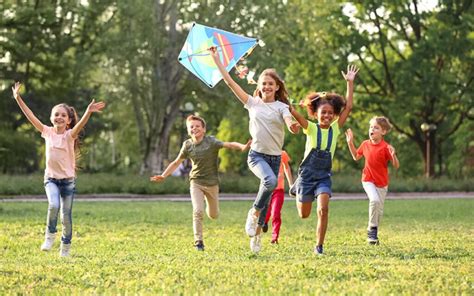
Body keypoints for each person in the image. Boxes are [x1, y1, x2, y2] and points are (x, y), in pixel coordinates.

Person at [209, 46, 299, 253]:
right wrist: (216, 60)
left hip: (275, 158)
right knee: (269, 182)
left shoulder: (282, 107)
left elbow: (289, 121)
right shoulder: (252, 103)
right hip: (256, 155)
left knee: (267, 195)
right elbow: (231, 83)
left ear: (277, 87)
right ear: (259, 86)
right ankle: (254, 212)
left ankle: (257, 235)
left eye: (271, 84)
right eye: (264, 83)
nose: (267, 86)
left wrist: (292, 125)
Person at [11, 82, 106, 257]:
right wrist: (18, 98)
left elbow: (82, 124)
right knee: (53, 205)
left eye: (63, 115)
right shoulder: (47, 132)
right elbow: (30, 116)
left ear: (68, 121)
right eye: (56, 114)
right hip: (51, 180)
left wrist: (88, 111)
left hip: (68, 182)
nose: (59, 117)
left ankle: (66, 247)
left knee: (66, 217)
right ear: (51, 117)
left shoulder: (70, 136)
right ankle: (49, 235)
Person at [150, 115, 250, 251]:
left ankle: (210, 209)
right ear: (188, 130)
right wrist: (163, 175)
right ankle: (198, 242)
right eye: (191, 127)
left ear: (203, 129)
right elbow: (176, 162)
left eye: (197, 126)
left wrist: (243, 147)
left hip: (212, 184)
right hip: (196, 182)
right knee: (197, 211)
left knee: (213, 215)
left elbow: (229, 144)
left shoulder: (212, 142)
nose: (194, 128)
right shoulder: (187, 145)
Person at [289, 65, 359, 255]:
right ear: (316, 114)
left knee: (323, 209)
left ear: (334, 114)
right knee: (304, 215)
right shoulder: (310, 128)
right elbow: (294, 113)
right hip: (306, 175)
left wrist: (349, 83)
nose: (327, 116)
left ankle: (319, 246)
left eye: (330, 113)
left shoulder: (336, 128)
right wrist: (289, 105)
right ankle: (297, 187)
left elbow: (349, 107)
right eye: (323, 113)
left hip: (323, 176)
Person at [345, 116, 400, 245]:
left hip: (382, 183)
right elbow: (355, 157)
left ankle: (374, 234)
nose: (372, 129)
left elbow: (396, 165)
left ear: (383, 132)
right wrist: (350, 142)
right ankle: (371, 230)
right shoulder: (365, 144)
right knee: (374, 200)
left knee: (379, 211)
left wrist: (393, 156)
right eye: (371, 127)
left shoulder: (386, 147)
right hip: (367, 179)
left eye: (376, 127)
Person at [262, 150, 293, 244]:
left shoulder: (282, 153)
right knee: (266, 212)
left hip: (279, 190)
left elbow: (286, 168)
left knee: (276, 213)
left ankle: (274, 238)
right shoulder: (264, 153)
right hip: (267, 189)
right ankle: (264, 222)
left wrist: (291, 184)